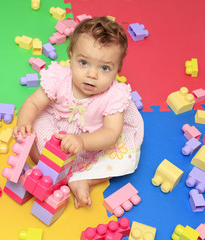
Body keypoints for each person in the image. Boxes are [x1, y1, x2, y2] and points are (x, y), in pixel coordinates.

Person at [13, 17, 144, 208]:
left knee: (122, 156)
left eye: (105, 68)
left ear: (118, 69)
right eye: (83, 63)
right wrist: (23, 123)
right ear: (71, 55)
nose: (92, 74)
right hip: (58, 125)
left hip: (94, 138)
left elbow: (111, 133)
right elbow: (33, 103)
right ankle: (41, 162)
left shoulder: (114, 96)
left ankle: (85, 180)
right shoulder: (59, 78)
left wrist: (83, 142)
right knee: (35, 131)